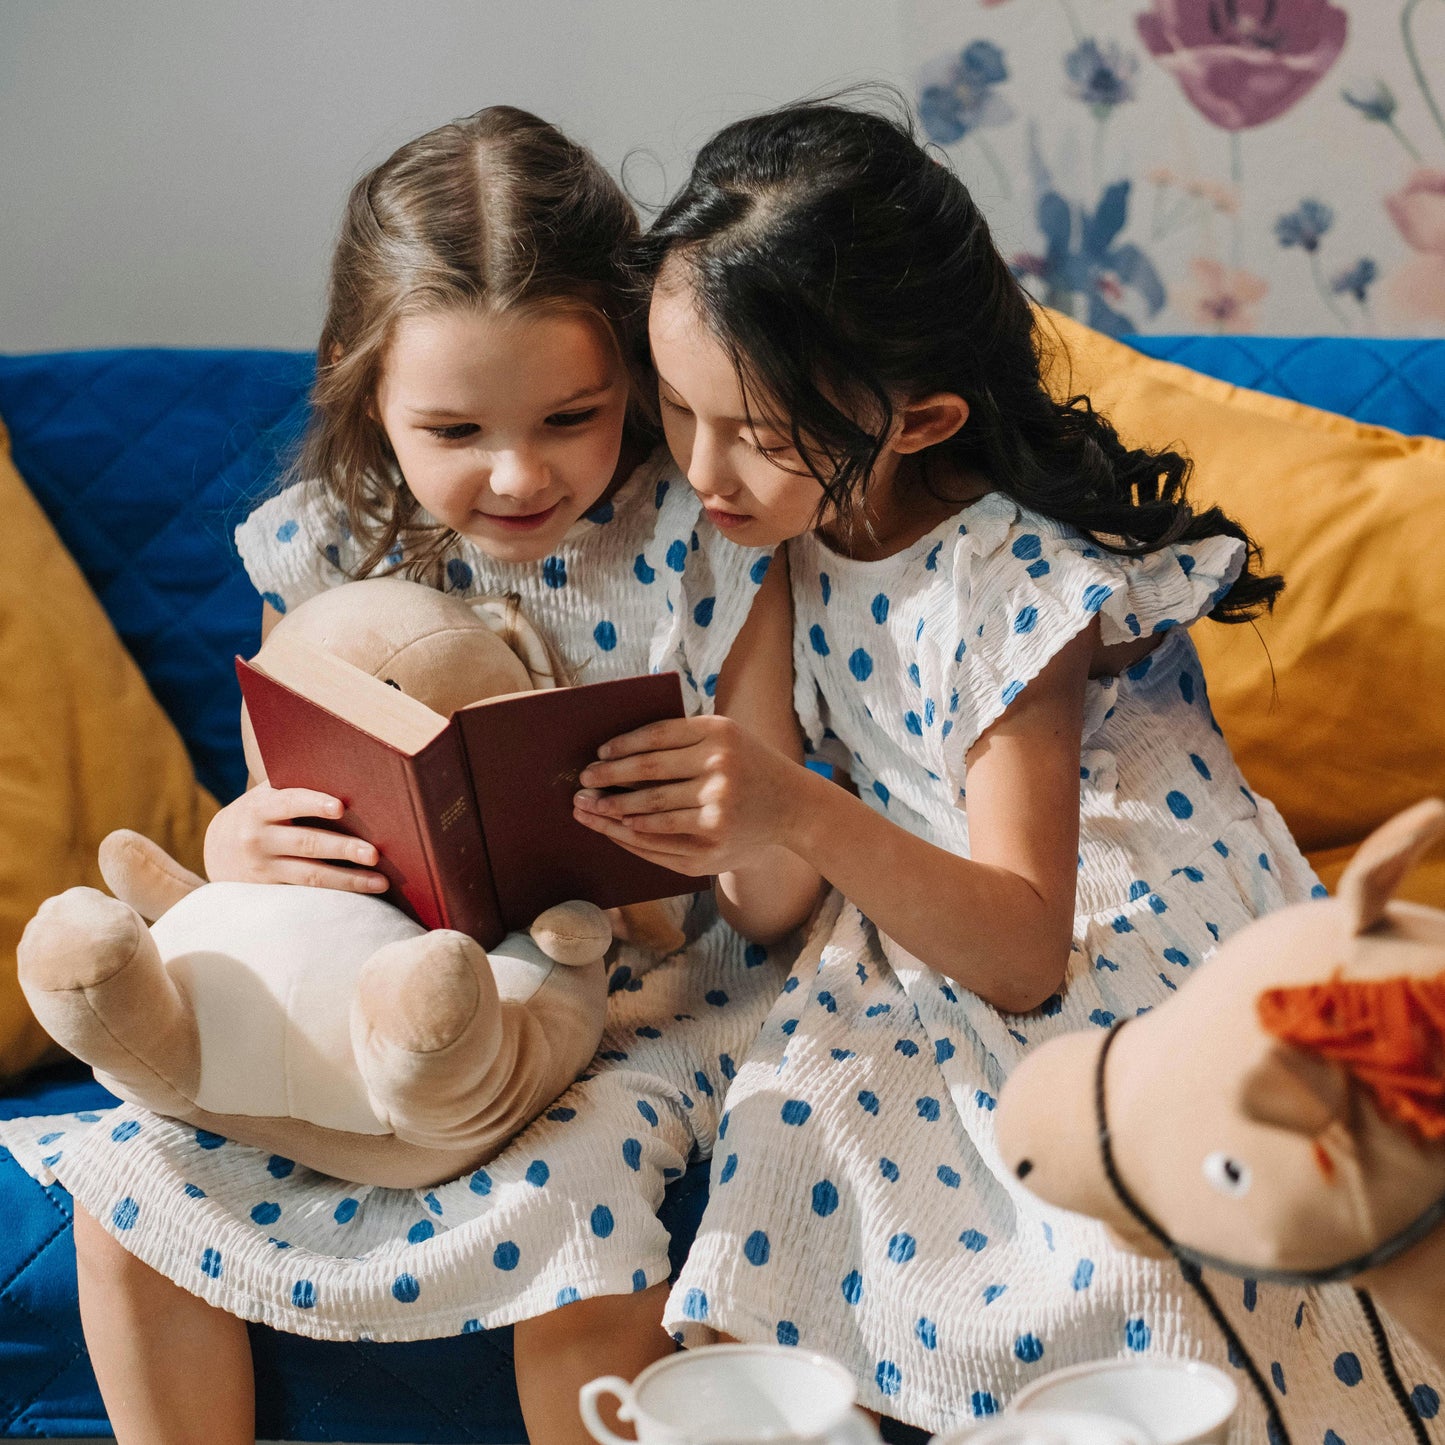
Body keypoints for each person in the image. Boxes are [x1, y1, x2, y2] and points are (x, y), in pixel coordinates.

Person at [571, 99, 1436, 1442]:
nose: (698, 468)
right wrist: (716, 820)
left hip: (1099, 901)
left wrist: (788, 798)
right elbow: (772, 904)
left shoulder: (1012, 577)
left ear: (918, 417)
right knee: (788, 1149)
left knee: (1132, 1232)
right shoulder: (763, 534)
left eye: (749, 427)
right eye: (674, 408)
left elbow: (1030, 949)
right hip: (898, 900)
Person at [2, 107, 817, 1445]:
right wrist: (247, 842)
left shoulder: (710, 542)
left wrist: (718, 819)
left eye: (574, 415)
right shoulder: (324, 545)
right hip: (370, 999)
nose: (516, 470)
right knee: (128, 1183)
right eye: (453, 427)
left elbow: (778, 896)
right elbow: (278, 820)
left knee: (578, 1207)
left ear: (640, 376)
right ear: (363, 390)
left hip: (640, 997)